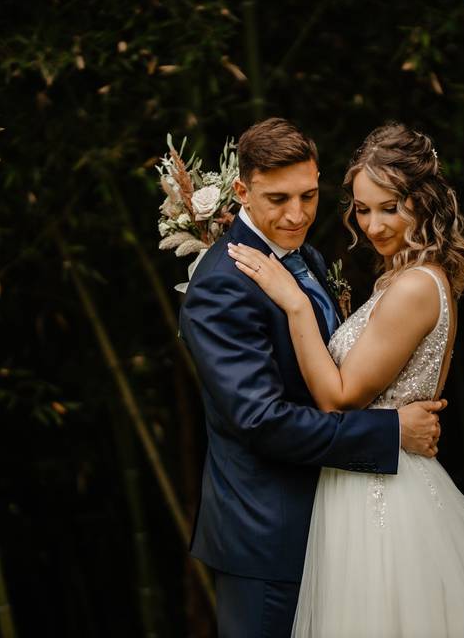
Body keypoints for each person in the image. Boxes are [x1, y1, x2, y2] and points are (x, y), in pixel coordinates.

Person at [227, 122, 464, 637]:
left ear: (423, 203)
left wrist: (294, 303)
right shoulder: (403, 277)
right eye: (362, 208)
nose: (375, 226)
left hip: (381, 497)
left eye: (390, 206)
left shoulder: (413, 288)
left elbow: (339, 397)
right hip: (366, 479)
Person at [178, 118, 447, 637]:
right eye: (277, 199)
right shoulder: (220, 288)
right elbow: (262, 421)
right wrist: (393, 432)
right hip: (269, 532)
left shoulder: (308, 259)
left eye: (309, 195)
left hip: (338, 521)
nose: (296, 215)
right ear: (241, 191)